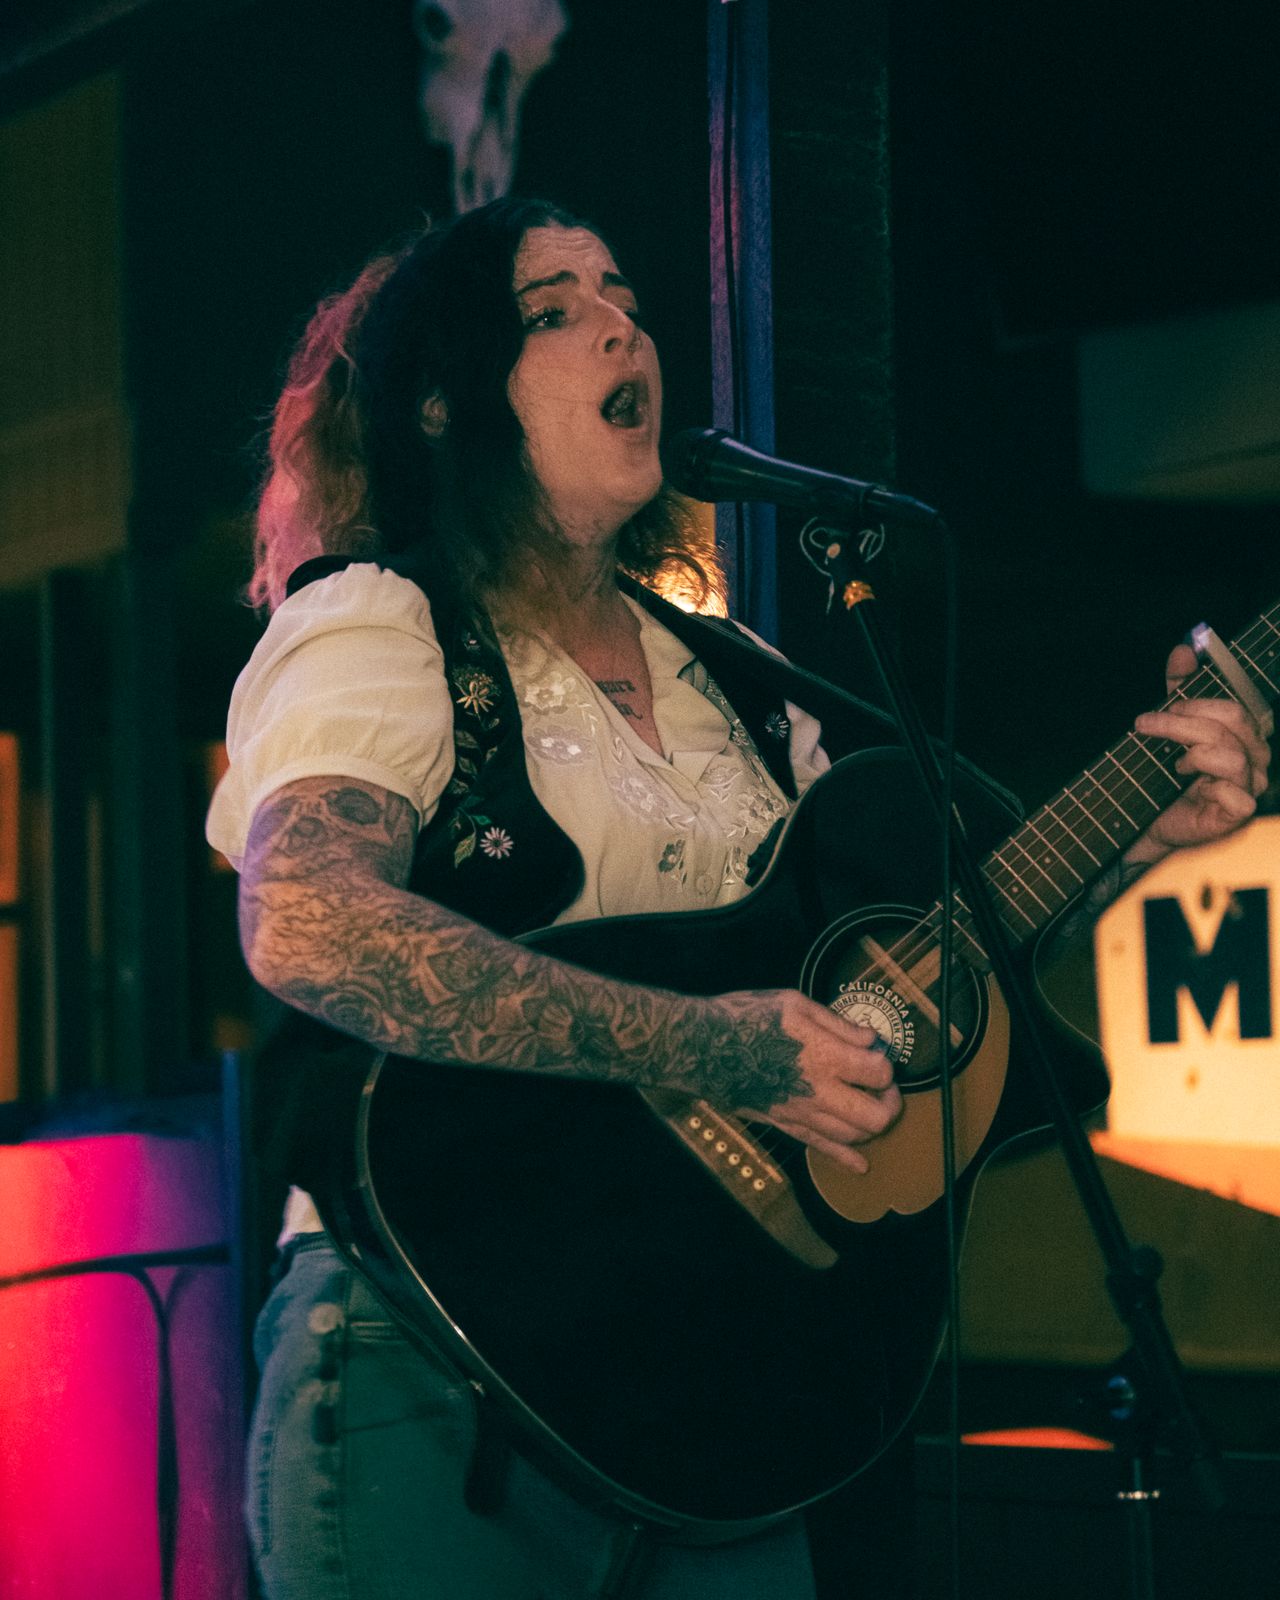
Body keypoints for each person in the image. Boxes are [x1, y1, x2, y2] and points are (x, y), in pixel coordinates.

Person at [206, 196, 1269, 1600]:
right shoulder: (380, 622)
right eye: (551, 311)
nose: (620, 324)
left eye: (623, 295)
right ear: (446, 408)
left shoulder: (735, 682)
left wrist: (1137, 838)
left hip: (719, 1417)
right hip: (444, 1384)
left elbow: (921, 965)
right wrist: (716, 1047)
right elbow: (310, 925)